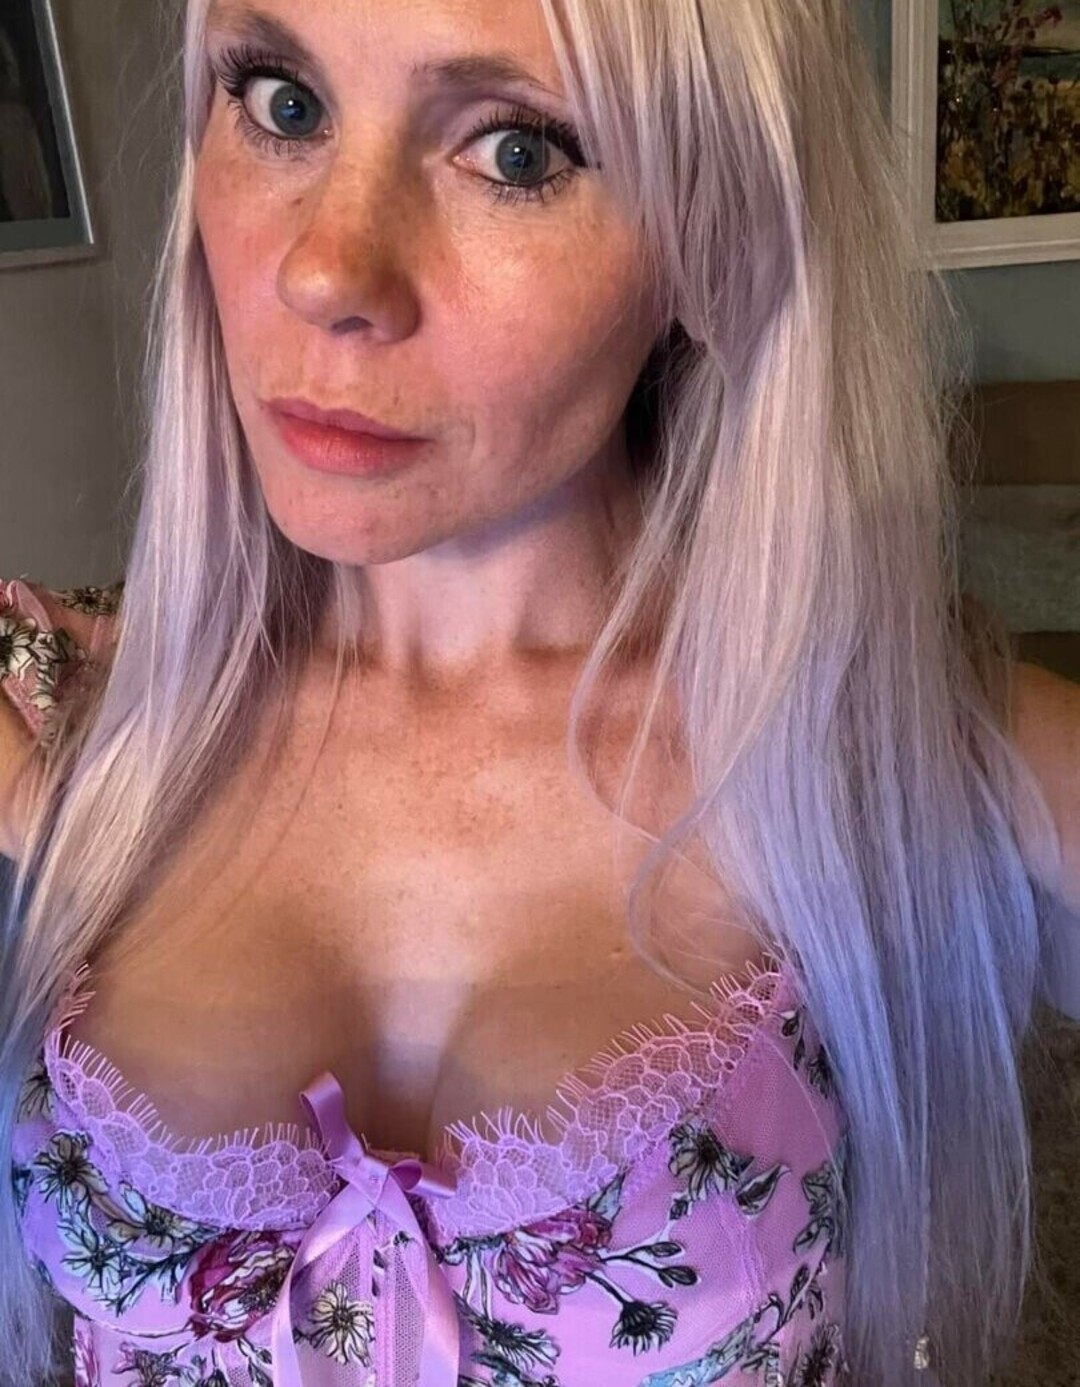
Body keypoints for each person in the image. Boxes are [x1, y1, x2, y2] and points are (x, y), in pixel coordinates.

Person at [0, 0, 1077, 1384]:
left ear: (711, 238)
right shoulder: (64, 728)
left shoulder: (909, 759)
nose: (327, 269)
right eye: (282, 103)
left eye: (517, 152)